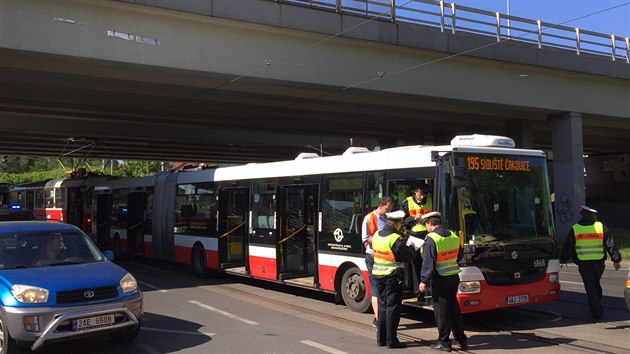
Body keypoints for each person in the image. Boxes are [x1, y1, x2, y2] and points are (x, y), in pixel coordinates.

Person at [560, 205, 622, 320]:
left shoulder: (576, 228)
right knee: (595, 284)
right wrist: (616, 260)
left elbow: (569, 246)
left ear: (583, 215)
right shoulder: (601, 226)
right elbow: (610, 244)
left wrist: (563, 258)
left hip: (584, 262)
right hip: (599, 263)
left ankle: (596, 310)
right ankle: (596, 305)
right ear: (593, 216)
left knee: (590, 286)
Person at [419, 212, 467, 352]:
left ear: (430, 223)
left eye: (426, 224)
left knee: (442, 311)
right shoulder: (453, 235)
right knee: (454, 309)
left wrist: (423, 281)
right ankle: (461, 340)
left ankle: (444, 342)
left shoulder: (431, 239)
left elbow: (428, 263)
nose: (426, 227)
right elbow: (459, 256)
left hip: (440, 278)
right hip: (453, 276)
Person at [372, 210, 416, 349]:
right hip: (391, 277)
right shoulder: (394, 239)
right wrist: (411, 248)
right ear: (396, 223)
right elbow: (408, 256)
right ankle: (391, 340)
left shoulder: (377, 235)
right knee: (393, 309)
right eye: (400, 224)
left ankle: (381, 339)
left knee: (382, 307)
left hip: (377, 276)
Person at [361, 196, 393, 327]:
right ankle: (378, 319)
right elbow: (365, 239)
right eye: (386, 209)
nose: (388, 212)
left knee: (384, 287)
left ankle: (381, 318)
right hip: (373, 256)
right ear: (380, 206)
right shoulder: (369, 218)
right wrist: (380, 239)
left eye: (390, 209)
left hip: (385, 256)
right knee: (375, 288)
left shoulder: (387, 218)